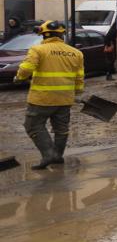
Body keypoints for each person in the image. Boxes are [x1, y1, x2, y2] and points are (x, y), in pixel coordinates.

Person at [15, 20, 84, 169]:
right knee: (61, 129)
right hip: (65, 99)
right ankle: (58, 156)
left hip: (42, 98)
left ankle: (49, 154)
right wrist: (77, 92)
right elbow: (79, 77)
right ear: (62, 35)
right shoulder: (76, 53)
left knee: (33, 126)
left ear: (44, 35)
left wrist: (18, 77)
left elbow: (26, 68)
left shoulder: (38, 50)